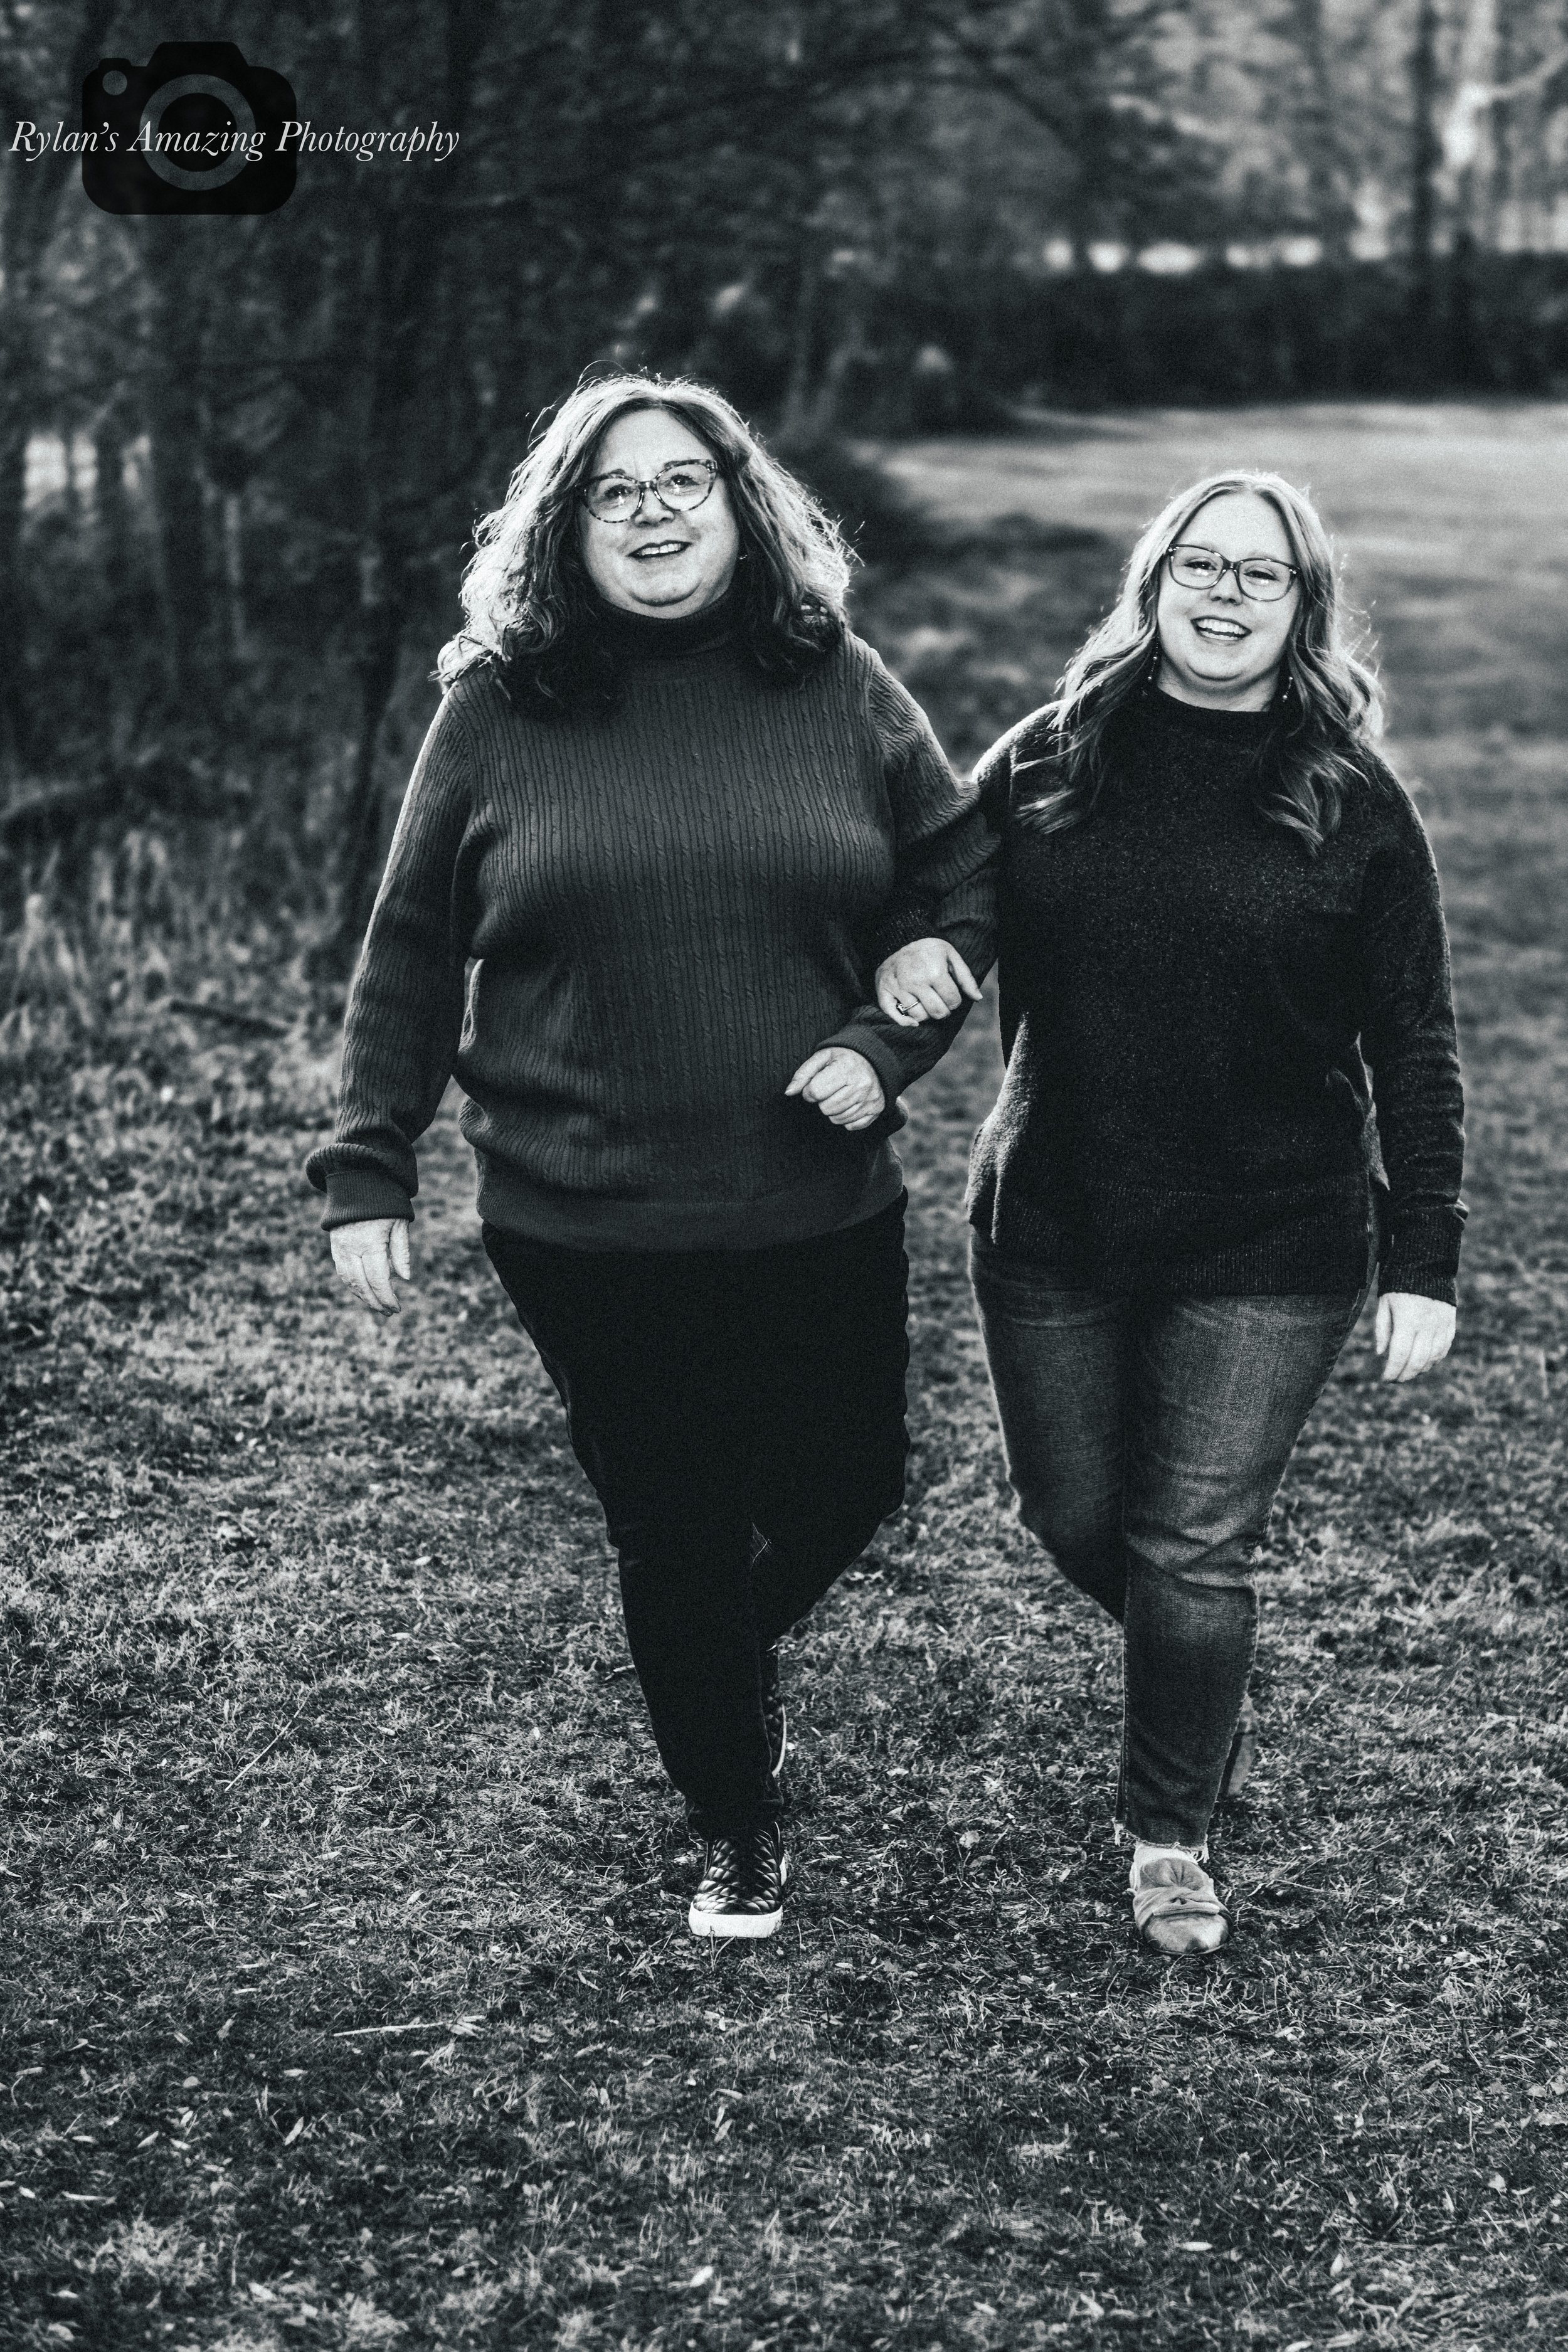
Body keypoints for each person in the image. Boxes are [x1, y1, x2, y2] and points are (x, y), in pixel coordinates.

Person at [305, 374, 993, 1942]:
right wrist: (369, 1162)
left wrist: (885, 1040)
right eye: (613, 492)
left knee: (847, 1486)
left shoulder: (834, 682)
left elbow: (959, 882)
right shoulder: (500, 710)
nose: (654, 512)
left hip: (813, 1196)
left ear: (740, 506)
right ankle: (732, 1818)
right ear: (567, 529)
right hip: (585, 1217)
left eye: (684, 480)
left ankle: (706, 1658)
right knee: (671, 1520)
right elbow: (410, 946)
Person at [875, 470, 1464, 1955]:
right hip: (1053, 1215)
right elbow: (933, 902)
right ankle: (1197, 1673)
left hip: (1270, 1235)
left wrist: (1424, 1257)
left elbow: (1413, 1040)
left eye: (1259, 575)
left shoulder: (1350, 801)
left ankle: (1166, 1834)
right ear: (1153, 585)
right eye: (1198, 565)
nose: (1223, 594)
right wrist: (895, 986)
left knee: (1194, 1545)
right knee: (1074, 1515)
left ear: (1299, 607)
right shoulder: (1049, 758)